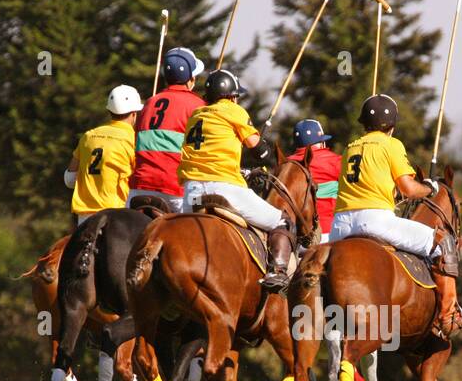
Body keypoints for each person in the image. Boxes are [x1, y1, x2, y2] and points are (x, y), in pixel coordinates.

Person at [329, 94, 462, 338]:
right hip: (374, 221)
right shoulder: (391, 145)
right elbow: (409, 189)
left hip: (340, 226)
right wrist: (430, 188)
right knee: (444, 243)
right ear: (391, 126)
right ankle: (449, 315)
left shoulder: (351, 147)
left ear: (364, 124)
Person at [177, 69, 293, 290]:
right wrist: (264, 150)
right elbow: (259, 151)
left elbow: (210, 155)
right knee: (283, 221)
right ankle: (276, 273)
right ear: (231, 96)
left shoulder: (196, 115)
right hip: (224, 189)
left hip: (191, 193)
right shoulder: (234, 111)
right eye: (236, 95)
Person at [126, 47, 206, 214]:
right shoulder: (198, 106)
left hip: (138, 188)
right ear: (190, 79)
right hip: (177, 191)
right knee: (202, 220)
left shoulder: (149, 103)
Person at [64, 85, 142, 230]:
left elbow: (69, 180)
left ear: (109, 111)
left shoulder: (88, 136)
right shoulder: (135, 140)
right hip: (116, 216)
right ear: (134, 113)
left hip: (85, 217)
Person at [287, 118, 341, 239]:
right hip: (330, 232)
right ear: (321, 142)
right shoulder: (336, 161)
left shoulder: (286, 165)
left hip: (296, 237)